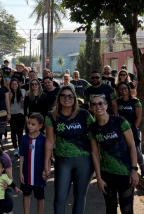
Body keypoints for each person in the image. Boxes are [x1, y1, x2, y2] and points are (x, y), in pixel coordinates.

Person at [43, 86, 95, 214]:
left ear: (75, 98)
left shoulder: (84, 114)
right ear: (59, 98)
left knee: (79, 196)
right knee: (60, 197)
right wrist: (46, 164)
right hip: (63, 161)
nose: (67, 98)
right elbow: (49, 142)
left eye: (70, 96)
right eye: (63, 96)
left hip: (85, 161)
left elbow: (95, 136)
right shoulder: (52, 116)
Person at [88, 95, 139, 214]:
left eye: (100, 103)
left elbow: (132, 146)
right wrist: (99, 178)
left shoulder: (119, 121)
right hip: (106, 173)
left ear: (106, 106)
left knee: (127, 209)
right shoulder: (92, 128)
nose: (98, 106)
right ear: (91, 108)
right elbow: (95, 154)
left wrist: (134, 170)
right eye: (94, 104)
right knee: (110, 208)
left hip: (125, 172)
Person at [117, 82, 144, 179]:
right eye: (121, 89)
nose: (123, 90)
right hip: (121, 131)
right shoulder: (118, 102)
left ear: (129, 89)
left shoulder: (135, 101)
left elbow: (139, 117)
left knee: (137, 152)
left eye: (125, 88)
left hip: (133, 130)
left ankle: (143, 170)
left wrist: (133, 128)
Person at [20, 114, 46, 214]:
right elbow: (22, 155)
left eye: (33, 124)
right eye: (29, 123)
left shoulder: (43, 140)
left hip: (39, 174)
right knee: (26, 194)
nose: (30, 126)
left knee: (40, 197)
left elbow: (47, 157)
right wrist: (21, 172)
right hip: (26, 173)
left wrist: (45, 169)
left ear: (40, 126)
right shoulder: (24, 138)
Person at [9, 79, 25, 156]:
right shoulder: (9, 93)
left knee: (20, 132)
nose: (14, 85)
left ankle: (20, 148)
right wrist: (9, 98)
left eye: (16, 84)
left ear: (18, 85)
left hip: (21, 114)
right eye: (13, 84)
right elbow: (7, 104)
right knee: (13, 132)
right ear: (10, 85)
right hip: (12, 114)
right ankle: (15, 148)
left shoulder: (23, 91)